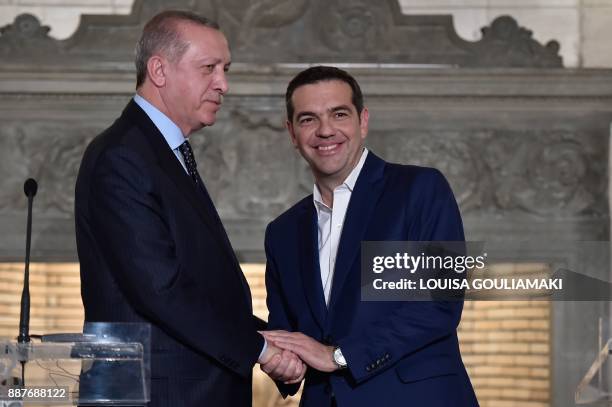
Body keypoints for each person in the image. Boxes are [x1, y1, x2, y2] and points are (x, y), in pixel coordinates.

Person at [74, 10, 303, 406]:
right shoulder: (123, 156)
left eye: (225, 69)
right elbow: (160, 289)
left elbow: (198, 285)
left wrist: (265, 340)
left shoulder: (160, 151)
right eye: (209, 68)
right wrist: (262, 351)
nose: (223, 84)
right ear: (159, 70)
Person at [261, 66, 479, 406]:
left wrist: (337, 356)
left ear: (362, 121)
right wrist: (282, 363)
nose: (325, 130)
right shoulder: (281, 232)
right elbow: (288, 334)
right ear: (292, 133)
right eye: (308, 119)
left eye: (339, 114)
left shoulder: (420, 190)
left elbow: (438, 303)